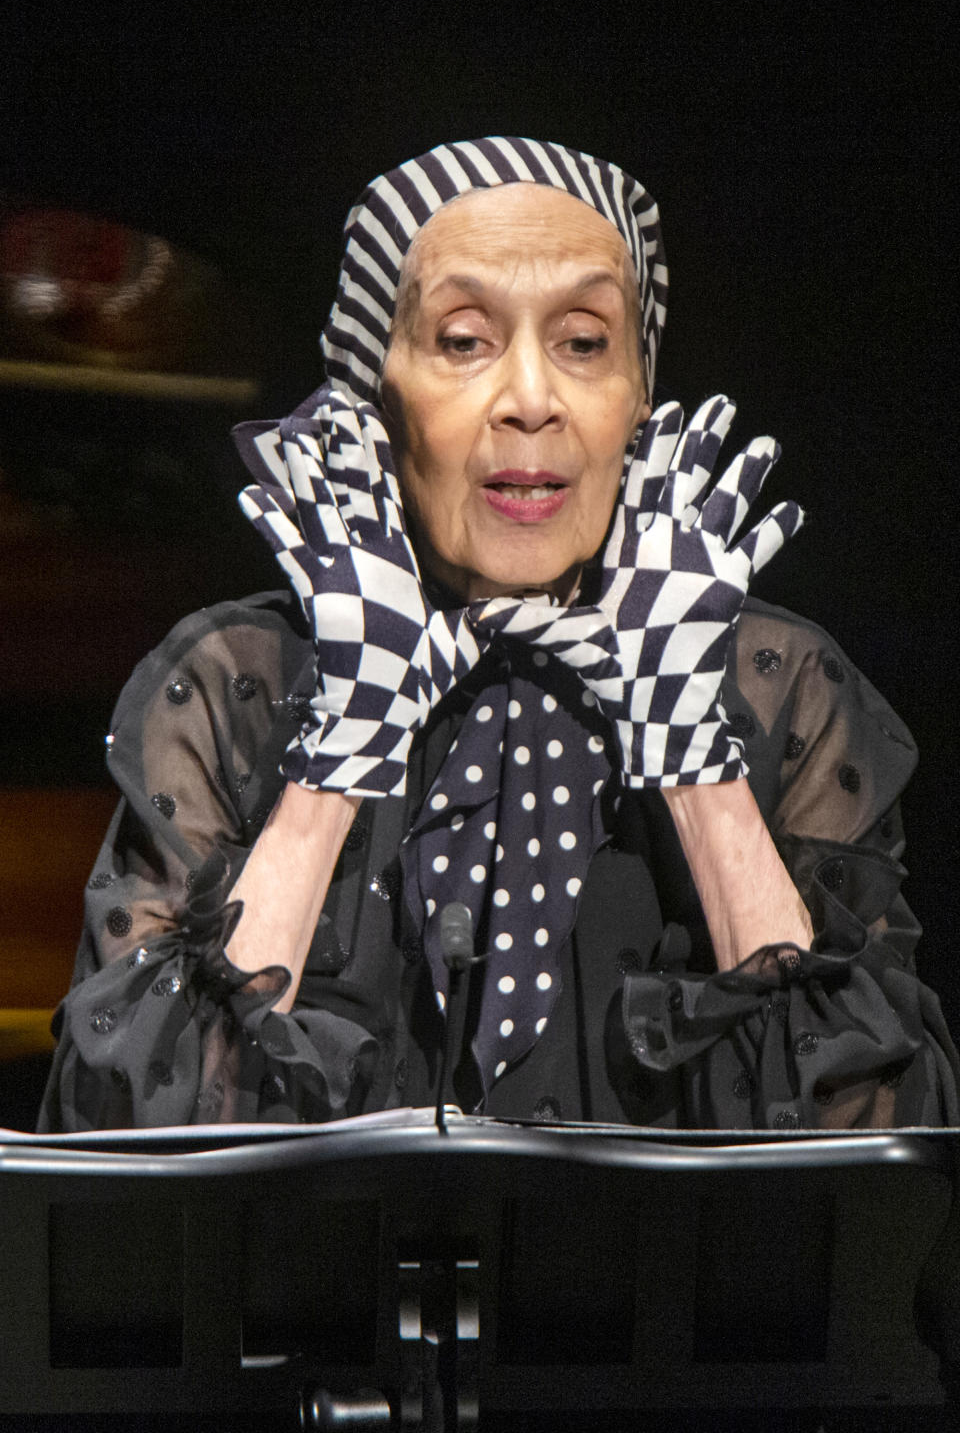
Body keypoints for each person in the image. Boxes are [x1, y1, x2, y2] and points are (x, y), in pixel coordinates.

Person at [38, 137, 959, 1132]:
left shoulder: (778, 688)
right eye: (466, 339)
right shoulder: (236, 686)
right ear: (372, 394)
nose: (530, 399)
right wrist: (336, 761)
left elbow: (880, 1139)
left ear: (638, 403)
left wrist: (697, 763)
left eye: (584, 341)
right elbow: (127, 1137)